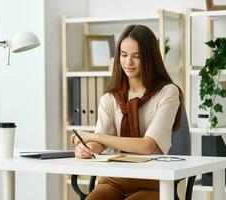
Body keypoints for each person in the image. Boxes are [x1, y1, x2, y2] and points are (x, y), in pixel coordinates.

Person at [70, 24, 183, 200]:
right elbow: (100, 145)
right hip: (113, 179)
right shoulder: (110, 97)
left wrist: (94, 136)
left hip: (151, 181)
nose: (128, 62)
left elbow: (147, 146)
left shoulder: (167, 92)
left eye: (136, 56)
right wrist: (87, 148)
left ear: (149, 58)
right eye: (123, 55)